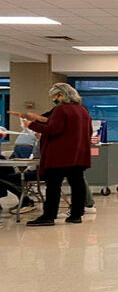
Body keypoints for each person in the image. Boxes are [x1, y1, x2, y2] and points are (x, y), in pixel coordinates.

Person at [10, 83, 92, 226]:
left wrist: (31, 125)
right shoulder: (82, 110)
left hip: (59, 155)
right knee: (77, 184)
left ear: (61, 95)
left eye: (54, 96)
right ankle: (76, 215)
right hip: (78, 155)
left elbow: (53, 129)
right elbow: (86, 131)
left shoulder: (61, 109)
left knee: (53, 186)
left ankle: (49, 216)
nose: (53, 99)